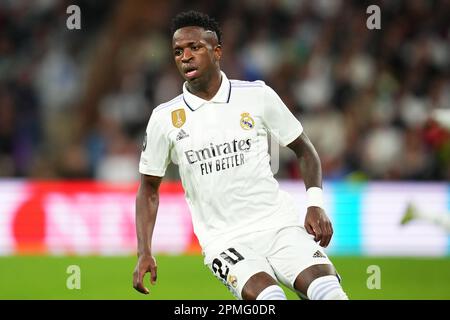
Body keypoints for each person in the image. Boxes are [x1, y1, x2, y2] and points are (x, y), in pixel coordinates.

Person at [132, 10, 348, 300]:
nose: (185, 57)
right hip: (225, 241)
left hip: (279, 224)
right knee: (269, 299)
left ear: (217, 51)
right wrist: (144, 251)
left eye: (195, 47)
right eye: (178, 51)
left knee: (329, 293)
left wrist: (315, 204)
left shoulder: (257, 95)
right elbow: (148, 189)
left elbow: (304, 149)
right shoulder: (164, 118)